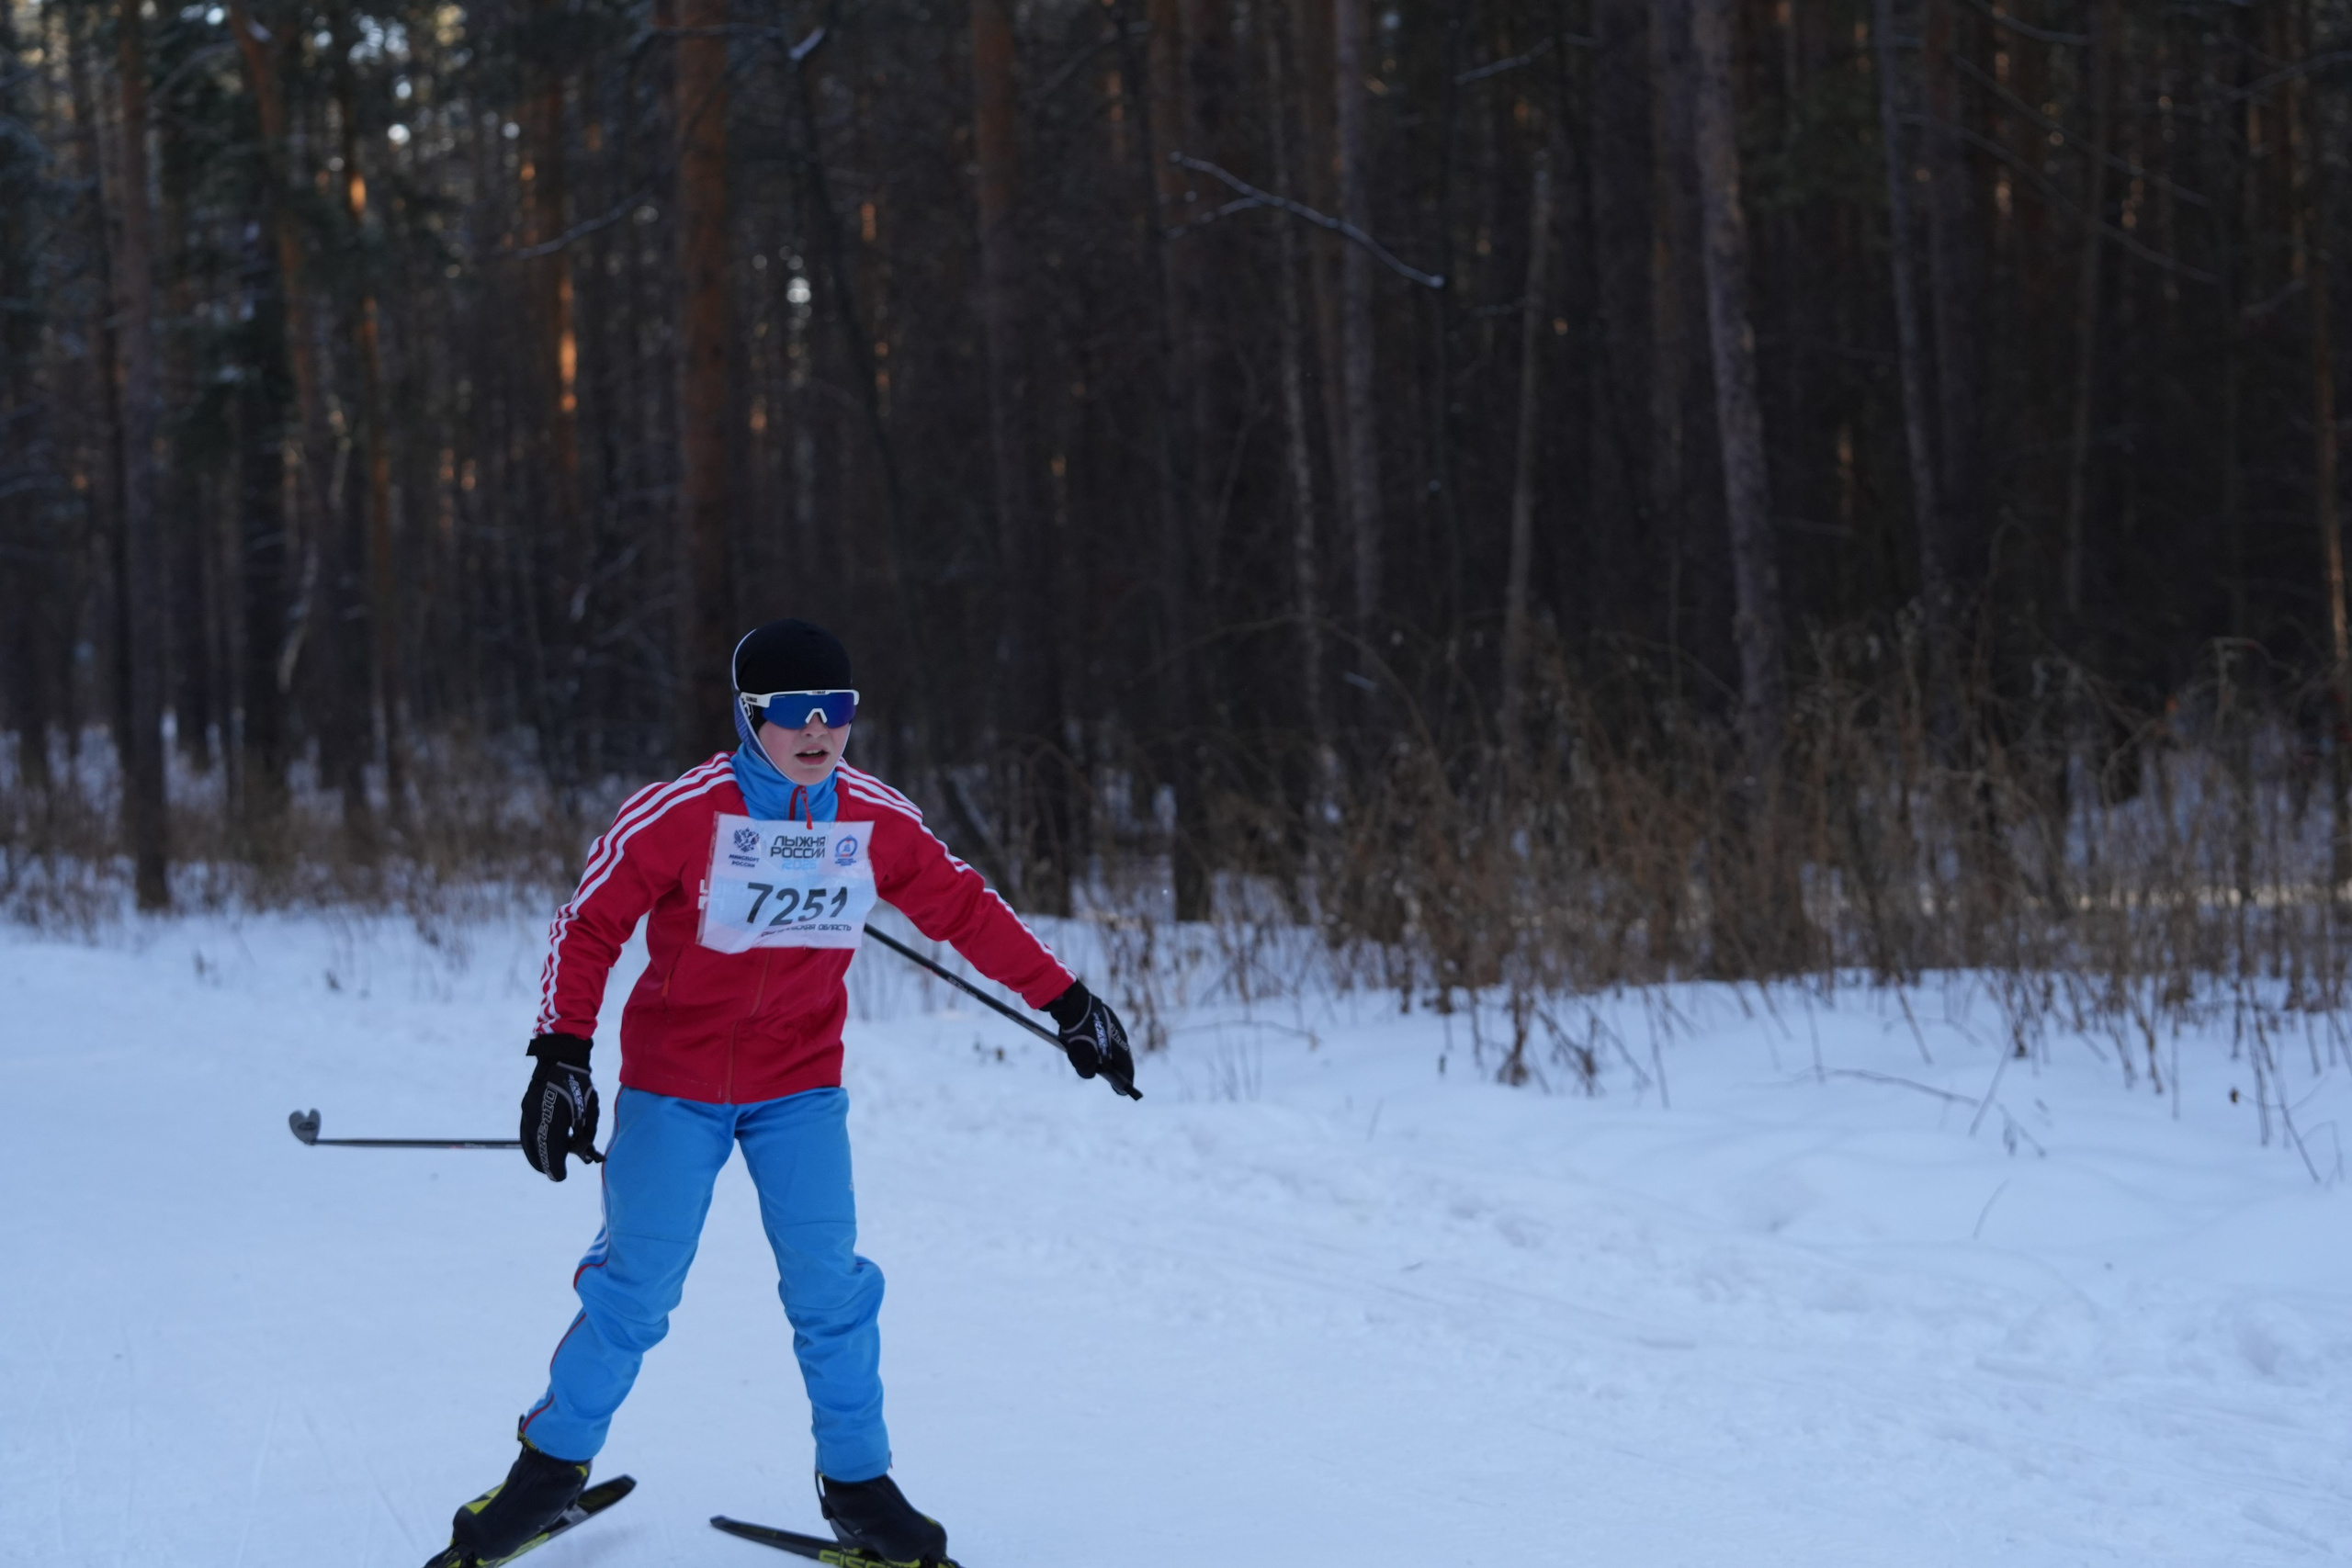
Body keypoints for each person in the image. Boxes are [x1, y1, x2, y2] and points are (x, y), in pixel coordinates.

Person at [430, 617, 1136, 1568]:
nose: (817, 731)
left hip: (799, 1088)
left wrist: (1069, 1002)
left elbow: (961, 905)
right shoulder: (681, 813)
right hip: (674, 1089)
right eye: (792, 713)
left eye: (835, 710)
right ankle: (547, 1474)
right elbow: (590, 923)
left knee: (831, 1288)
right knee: (635, 1289)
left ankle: (857, 1489)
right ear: (745, 715)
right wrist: (561, 1056)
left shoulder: (872, 818)